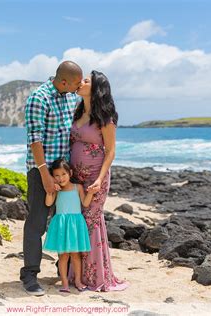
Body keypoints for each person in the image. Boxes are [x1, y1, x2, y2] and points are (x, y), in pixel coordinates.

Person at [20, 61, 83, 296]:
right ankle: (29, 275)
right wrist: (45, 175)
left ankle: (62, 270)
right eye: (77, 82)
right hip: (41, 171)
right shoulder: (39, 98)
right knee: (36, 223)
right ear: (64, 81)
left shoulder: (71, 98)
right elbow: (35, 140)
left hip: (64, 174)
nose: (79, 86)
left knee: (64, 221)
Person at [69, 70, 128, 291]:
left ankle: (95, 277)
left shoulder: (105, 117)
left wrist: (100, 179)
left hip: (95, 177)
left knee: (91, 223)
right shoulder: (77, 113)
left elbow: (111, 151)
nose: (81, 82)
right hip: (75, 178)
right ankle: (77, 275)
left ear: (96, 88)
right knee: (78, 222)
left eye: (86, 81)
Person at [43, 158, 99, 293]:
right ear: (53, 177)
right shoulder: (57, 190)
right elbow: (48, 203)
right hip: (62, 226)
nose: (60, 178)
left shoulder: (77, 187)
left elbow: (85, 203)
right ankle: (65, 284)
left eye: (63, 174)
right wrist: (50, 190)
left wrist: (90, 193)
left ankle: (78, 282)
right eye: (56, 175)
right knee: (63, 256)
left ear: (70, 173)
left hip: (75, 225)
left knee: (75, 255)